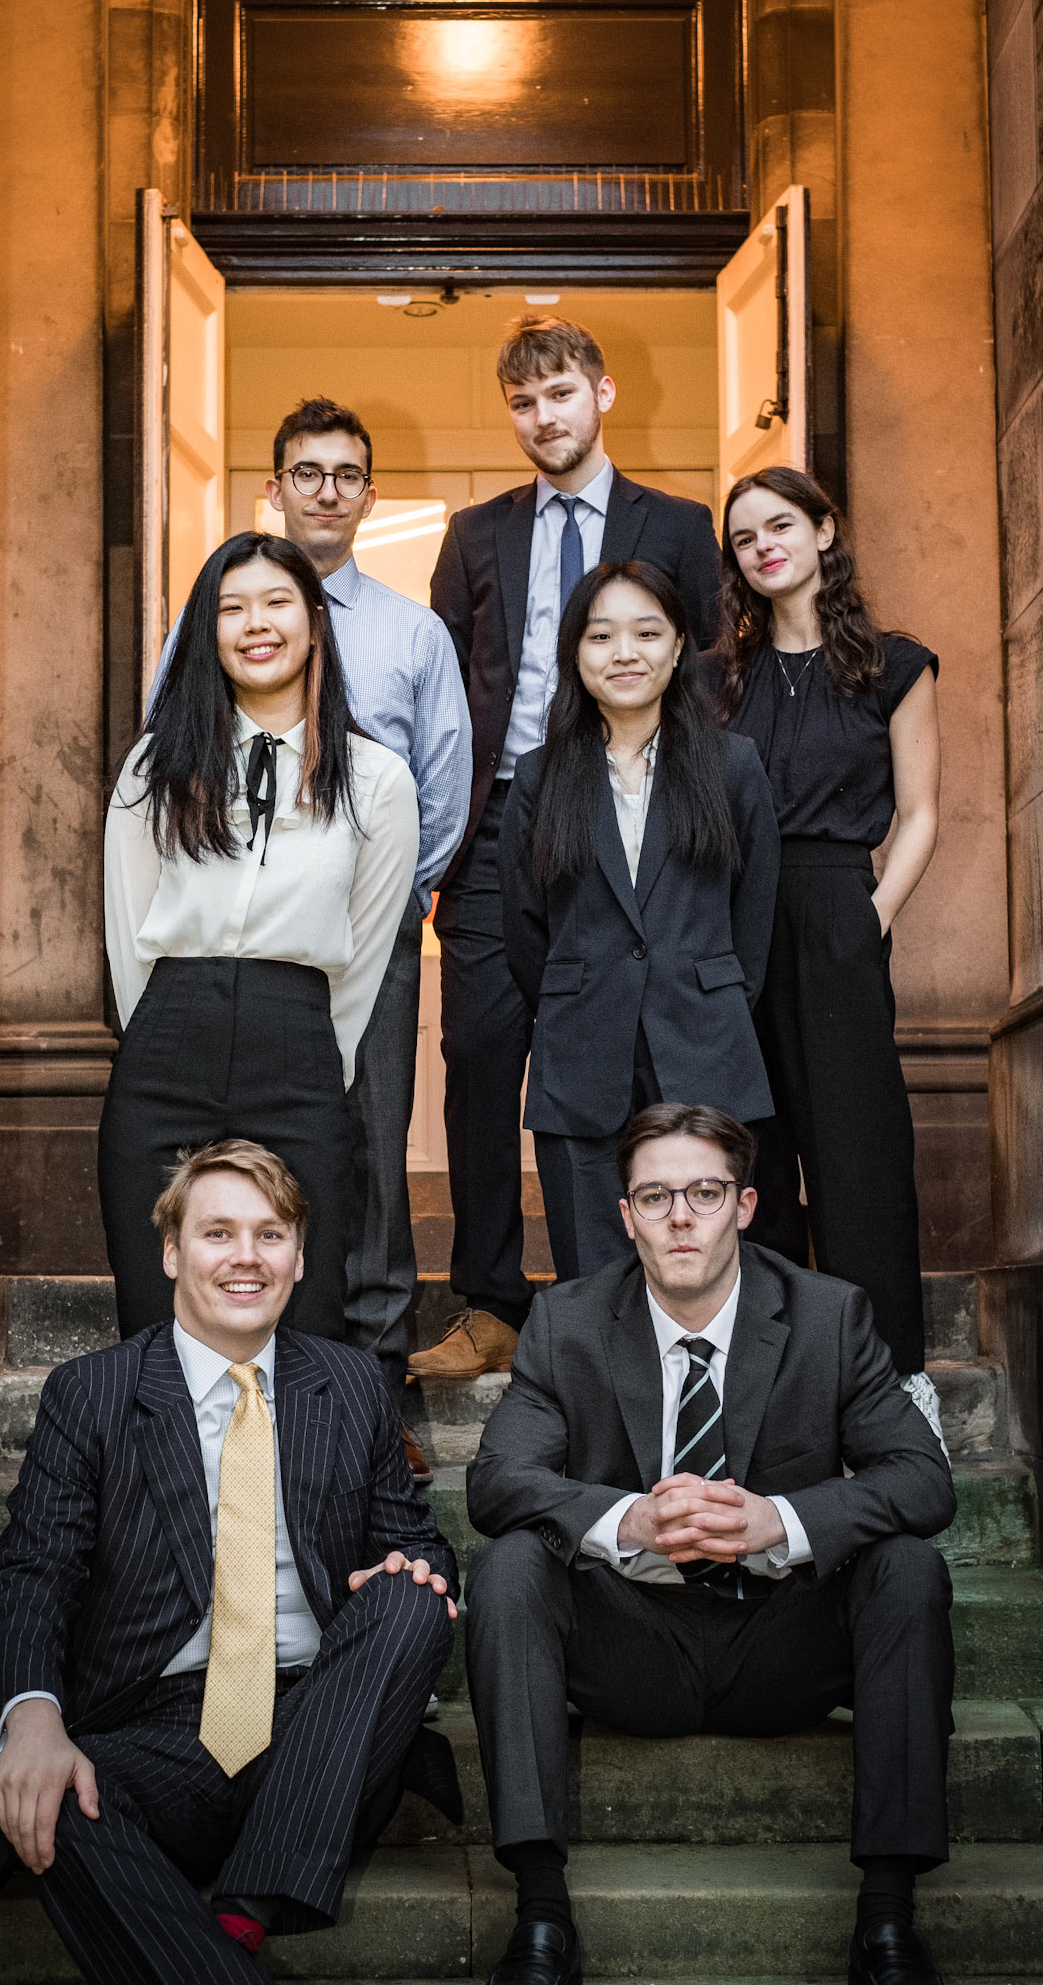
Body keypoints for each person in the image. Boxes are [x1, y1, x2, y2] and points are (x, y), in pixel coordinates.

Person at [465, 1102, 956, 1985]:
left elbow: (922, 1481)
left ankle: (886, 1917)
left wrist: (783, 1521)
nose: (680, 1218)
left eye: (704, 1192)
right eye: (655, 1197)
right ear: (626, 1217)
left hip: (782, 1642)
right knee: (508, 1567)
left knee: (906, 1567)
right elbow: (497, 1481)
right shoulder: (567, 1320)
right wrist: (626, 1520)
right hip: (632, 1645)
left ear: (745, 1205)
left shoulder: (828, 1314)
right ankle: (539, 1914)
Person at [0, 1139, 461, 1985]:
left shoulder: (349, 1385)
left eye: (270, 1235)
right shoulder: (93, 1393)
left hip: (324, 1728)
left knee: (411, 1597)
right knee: (57, 1799)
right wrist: (32, 1720)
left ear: (298, 1259)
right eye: (217, 1233)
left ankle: (244, 1904)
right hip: (158, 1729)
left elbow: (417, 1542)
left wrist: (400, 1572)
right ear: (171, 1253)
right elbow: (30, 1572)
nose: (246, 1257)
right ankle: (236, 1939)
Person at [414, 313, 725, 1379]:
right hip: (502, 821)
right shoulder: (474, 534)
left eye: (559, 393)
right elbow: (443, 694)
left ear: (602, 393)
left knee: (633, 1057)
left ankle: (646, 1292)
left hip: (630, 816)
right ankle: (491, 1302)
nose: (542, 416)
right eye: (522, 401)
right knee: (478, 1057)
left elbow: (707, 678)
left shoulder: (677, 525)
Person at [151, 400, 471, 1419]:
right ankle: (248, 1358)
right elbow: (167, 754)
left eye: (346, 474)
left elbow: (444, 788)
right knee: (249, 1135)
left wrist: (387, 897)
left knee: (369, 1140)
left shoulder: (413, 632)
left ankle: (372, 1376)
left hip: (371, 923)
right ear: (275, 488)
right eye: (307, 471)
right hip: (235, 938)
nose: (326, 490)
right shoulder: (209, 618)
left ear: (370, 496)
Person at [102, 531, 418, 1342]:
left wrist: (311, 1051)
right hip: (168, 1038)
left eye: (276, 602)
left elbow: (365, 951)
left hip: (299, 1045)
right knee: (154, 1304)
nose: (255, 624)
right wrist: (165, 1033)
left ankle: (291, 1435)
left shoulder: (377, 780)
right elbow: (128, 932)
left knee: (305, 1312)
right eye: (231, 608)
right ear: (207, 632)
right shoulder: (154, 766)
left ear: (314, 622)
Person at [713, 467, 941, 1406]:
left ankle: (895, 1384)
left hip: (839, 906)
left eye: (778, 526)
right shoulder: (716, 679)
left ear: (822, 530)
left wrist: (870, 918)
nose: (762, 546)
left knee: (858, 1152)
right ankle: (778, 1387)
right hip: (734, 920)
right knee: (753, 1155)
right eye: (743, 538)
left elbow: (920, 814)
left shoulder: (894, 665)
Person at [498, 560, 779, 1281]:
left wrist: (706, 996)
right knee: (592, 1276)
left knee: (702, 1269)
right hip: (580, 1050)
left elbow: (754, 919)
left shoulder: (732, 766)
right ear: (574, 652)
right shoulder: (538, 776)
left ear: (680, 645)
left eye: (646, 633)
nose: (624, 653)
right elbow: (526, 929)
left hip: (704, 1046)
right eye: (600, 636)